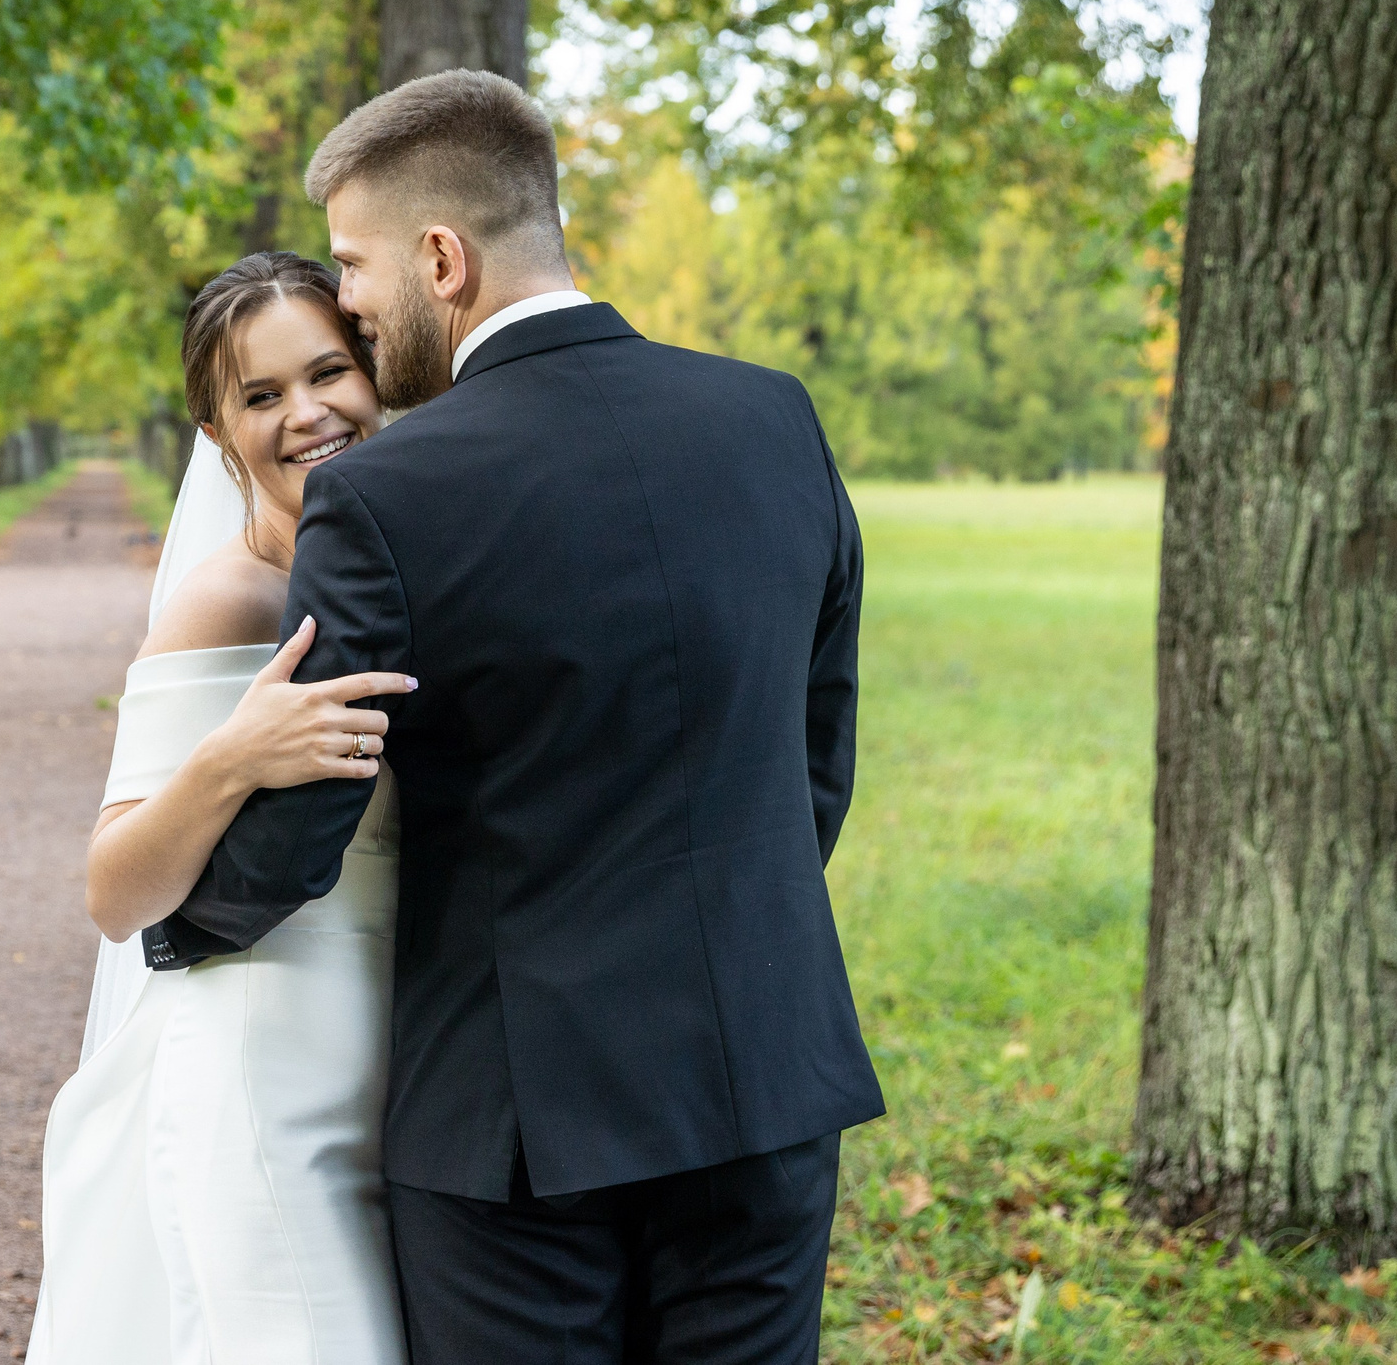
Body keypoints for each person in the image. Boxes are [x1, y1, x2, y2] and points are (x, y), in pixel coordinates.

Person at [143, 70, 885, 1364]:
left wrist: (168, 917)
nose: (357, 307)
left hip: (518, 1119)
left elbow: (300, 832)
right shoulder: (776, 419)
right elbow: (817, 761)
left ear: (442, 257)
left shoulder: (385, 498)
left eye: (358, 270)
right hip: (766, 1068)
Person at [28, 250, 417, 1365]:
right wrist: (231, 759)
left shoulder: (416, 563)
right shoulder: (225, 601)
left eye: (327, 371)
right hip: (265, 1074)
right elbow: (115, 892)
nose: (307, 414)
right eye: (260, 396)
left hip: (408, 1074)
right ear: (217, 436)